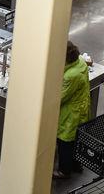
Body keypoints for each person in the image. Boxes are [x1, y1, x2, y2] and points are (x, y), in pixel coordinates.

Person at [54, 41, 92, 178]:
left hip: (70, 113)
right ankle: (76, 164)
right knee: (75, 138)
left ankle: (64, 171)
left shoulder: (71, 76)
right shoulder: (80, 61)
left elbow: (60, 98)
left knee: (65, 141)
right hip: (81, 106)